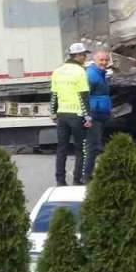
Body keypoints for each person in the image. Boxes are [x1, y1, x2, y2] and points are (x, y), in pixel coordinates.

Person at [51, 43, 92, 186]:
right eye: (83, 55)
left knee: (61, 148)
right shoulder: (81, 72)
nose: (85, 57)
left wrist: (53, 113)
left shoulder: (57, 71)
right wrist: (88, 117)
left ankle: (60, 180)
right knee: (80, 148)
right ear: (77, 56)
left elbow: (54, 95)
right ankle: (77, 179)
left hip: (62, 115)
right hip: (77, 115)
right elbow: (84, 96)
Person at [83, 48, 112, 181]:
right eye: (101, 60)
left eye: (106, 60)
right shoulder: (92, 75)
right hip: (94, 114)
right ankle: (87, 176)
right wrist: (87, 116)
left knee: (97, 145)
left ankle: (92, 173)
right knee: (93, 146)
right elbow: (85, 97)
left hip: (101, 114)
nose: (104, 62)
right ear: (94, 60)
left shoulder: (101, 74)